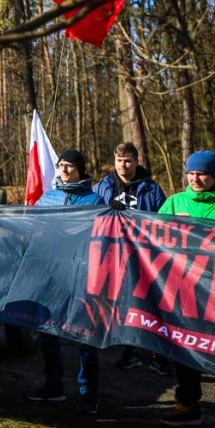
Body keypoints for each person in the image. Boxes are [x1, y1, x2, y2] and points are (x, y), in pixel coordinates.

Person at [26, 149, 105, 414]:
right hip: (52, 274)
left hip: (83, 275)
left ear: (81, 170)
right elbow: (30, 228)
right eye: (61, 165)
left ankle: (88, 394)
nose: (64, 169)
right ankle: (54, 386)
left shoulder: (95, 200)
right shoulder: (48, 198)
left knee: (86, 337)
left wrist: (114, 214)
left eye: (70, 165)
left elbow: (103, 239)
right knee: (48, 332)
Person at [157, 150, 215, 427]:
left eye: (202, 173)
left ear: (214, 174)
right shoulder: (175, 202)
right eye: (191, 173)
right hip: (185, 291)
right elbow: (151, 236)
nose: (195, 178)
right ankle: (187, 406)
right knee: (186, 349)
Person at [92, 142, 170, 374]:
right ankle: (130, 351)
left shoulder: (152, 189)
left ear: (136, 161)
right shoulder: (102, 187)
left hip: (145, 255)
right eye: (119, 161)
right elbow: (92, 215)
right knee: (121, 303)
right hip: (113, 253)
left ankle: (158, 353)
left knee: (152, 303)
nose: (123, 165)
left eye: (127, 161)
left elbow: (163, 221)